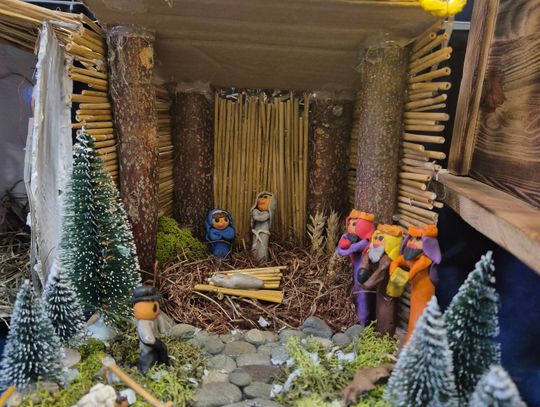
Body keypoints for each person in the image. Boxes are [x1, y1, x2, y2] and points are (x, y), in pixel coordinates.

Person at [132, 286, 169, 374]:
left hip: (156, 341)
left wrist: (163, 331)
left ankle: (161, 365)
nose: (154, 306)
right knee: (148, 357)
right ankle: (144, 371)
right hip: (149, 345)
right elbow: (147, 337)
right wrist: (154, 342)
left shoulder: (156, 317)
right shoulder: (143, 323)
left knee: (158, 354)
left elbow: (161, 326)